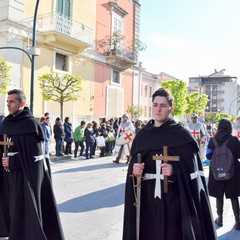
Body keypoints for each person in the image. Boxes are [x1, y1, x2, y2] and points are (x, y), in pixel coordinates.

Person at [122, 88, 216, 240]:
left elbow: (195, 174)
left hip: (175, 204)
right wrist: (134, 171)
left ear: (171, 109)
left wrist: (176, 170)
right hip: (147, 203)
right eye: (155, 104)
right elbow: (134, 167)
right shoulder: (142, 137)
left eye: (163, 105)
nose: (158, 109)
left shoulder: (181, 136)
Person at [0, 89, 64, 239]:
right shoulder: (6, 123)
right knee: (10, 207)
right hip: (7, 175)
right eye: (7, 101)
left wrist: (13, 161)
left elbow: (36, 157)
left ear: (21, 103)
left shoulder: (31, 124)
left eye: (12, 101)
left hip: (24, 176)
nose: (8, 104)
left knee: (22, 209)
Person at [206, 118, 240, 230]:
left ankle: (219, 219)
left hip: (216, 172)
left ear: (219, 127)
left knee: (218, 196)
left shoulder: (212, 140)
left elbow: (208, 156)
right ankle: (238, 222)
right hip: (232, 172)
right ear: (230, 127)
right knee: (234, 197)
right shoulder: (234, 140)